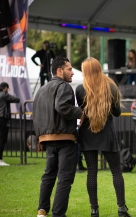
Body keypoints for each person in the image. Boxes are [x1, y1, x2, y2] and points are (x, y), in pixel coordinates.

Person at [75, 57, 131, 217]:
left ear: (86, 71)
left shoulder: (80, 89)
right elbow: (117, 113)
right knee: (116, 171)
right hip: (107, 133)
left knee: (91, 172)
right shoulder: (111, 87)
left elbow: (80, 113)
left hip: (87, 134)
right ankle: (121, 209)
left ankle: (94, 210)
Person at [33, 56, 83, 217]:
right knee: (65, 178)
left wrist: (40, 136)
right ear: (60, 71)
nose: (73, 72)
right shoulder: (65, 87)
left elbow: (36, 115)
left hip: (47, 139)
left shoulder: (41, 90)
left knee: (49, 175)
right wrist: (81, 112)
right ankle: (58, 214)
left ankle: (42, 210)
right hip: (65, 138)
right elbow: (62, 107)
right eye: (69, 69)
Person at [0, 82, 20, 166]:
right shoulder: (4, 94)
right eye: (8, 88)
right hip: (2, 118)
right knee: (2, 138)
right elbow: (16, 99)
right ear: (5, 88)